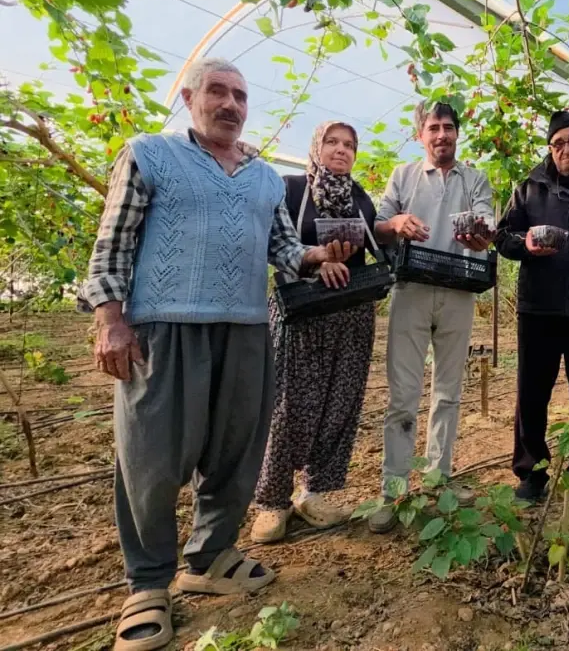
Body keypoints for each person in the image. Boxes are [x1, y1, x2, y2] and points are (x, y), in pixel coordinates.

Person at [81, 58, 353, 651]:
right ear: (188, 98)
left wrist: (315, 257)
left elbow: (282, 245)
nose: (231, 105)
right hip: (165, 327)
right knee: (152, 457)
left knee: (237, 449)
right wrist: (109, 319)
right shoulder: (150, 154)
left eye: (240, 95)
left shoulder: (260, 176)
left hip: (246, 328)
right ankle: (148, 583)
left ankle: (209, 556)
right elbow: (114, 242)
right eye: (218, 92)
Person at [250, 121, 379, 544]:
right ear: (315, 146)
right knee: (288, 405)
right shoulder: (289, 190)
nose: (341, 150)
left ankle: (315, 492)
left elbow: (373, 248)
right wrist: (315, 262)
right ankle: (272, 501)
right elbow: (274, 246)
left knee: (339, 404)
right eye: (332, 141)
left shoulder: (360, 198)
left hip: (351, 314)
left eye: (349, 144)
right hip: (300, 314)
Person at [369, 101, 494, 533]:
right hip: (412, 290)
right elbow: (379, 225)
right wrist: (398, 222)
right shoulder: (403, 176)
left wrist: (481, 236)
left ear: (458, 134)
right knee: (403, 393)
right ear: (421, 135)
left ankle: (439, 481)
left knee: (448, 391)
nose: (442, 135)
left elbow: (487, 224)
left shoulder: (474, 178)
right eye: (434, 128)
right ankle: (394, 490)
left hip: (459, 290)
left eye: (449, 128)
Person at [495, 111, 569, 508]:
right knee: (532, 395)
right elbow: (503, 235)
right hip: (539, 309)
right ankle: (531, 473)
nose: (567, 149)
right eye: (559, 142)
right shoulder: (530, 188)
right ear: (550, 148)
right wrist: (523, 245)